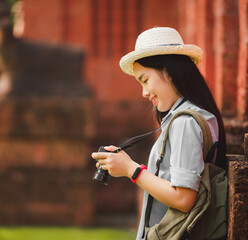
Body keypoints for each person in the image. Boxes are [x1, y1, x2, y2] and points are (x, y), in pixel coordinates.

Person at [91, 27, 226, 240]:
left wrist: (131, 169)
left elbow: (183, 198)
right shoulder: (195, 116)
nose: (144, 93)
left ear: (170, 72)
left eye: (145, 80)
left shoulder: (185, 123)